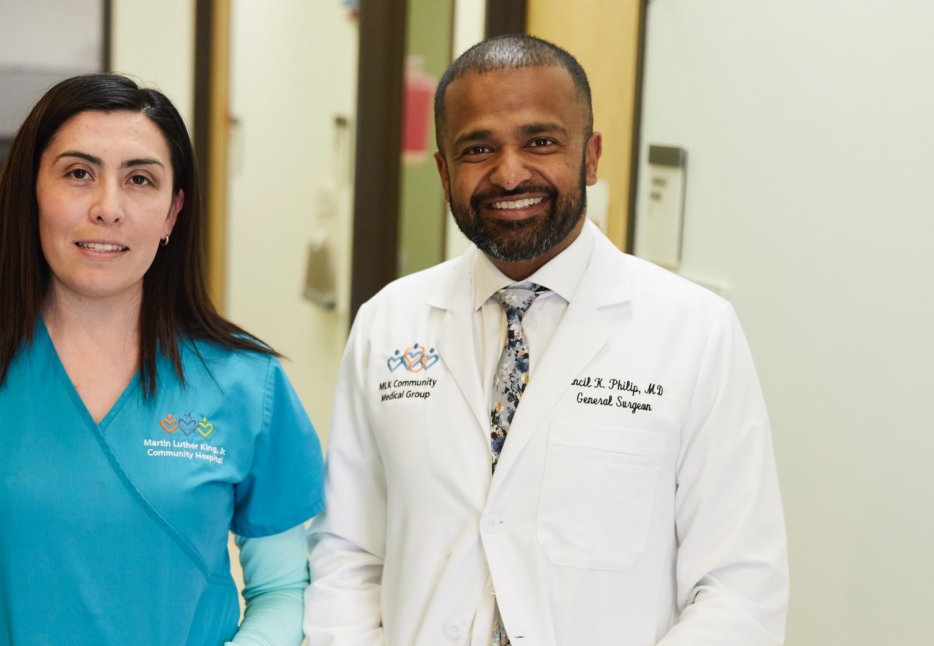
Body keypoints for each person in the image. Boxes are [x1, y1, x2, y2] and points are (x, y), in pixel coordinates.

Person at [304, 34, 788, 645]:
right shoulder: (388, 323)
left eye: (540, 142)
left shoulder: (695, 332)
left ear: (590, 156)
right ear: (443, 170)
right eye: (477, 148)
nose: (510, 173)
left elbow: (740, 587)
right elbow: (347, 552)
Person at [0, 73, 324, 645]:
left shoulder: (246, 382)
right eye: (78, 173)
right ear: (31, 191)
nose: (107, 208)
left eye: (140, 179)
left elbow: (283, 589)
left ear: (172, 213)